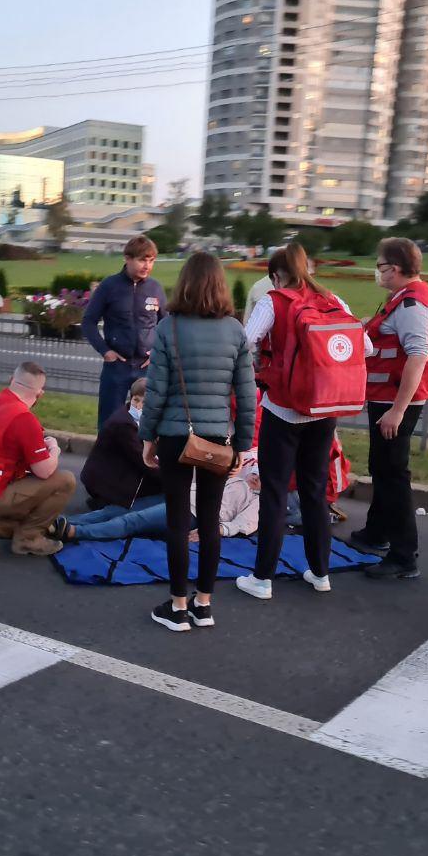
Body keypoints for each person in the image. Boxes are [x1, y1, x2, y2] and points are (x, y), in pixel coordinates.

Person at [235, 242, 364, 601]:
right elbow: (363, 345)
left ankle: (263, 578)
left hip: (283, 408)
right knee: (314, 490)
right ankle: (320, 571)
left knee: (275, 492)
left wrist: (262, 363)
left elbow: (246, 341)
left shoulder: (273, 301)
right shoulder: (333, 299)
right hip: (324, 410)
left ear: (276, 275)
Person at [139, 252, 256, 632]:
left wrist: (148, 436)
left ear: (185, 283)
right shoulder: (235, 330)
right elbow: (246, 393)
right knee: (209, 520)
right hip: (218, 439)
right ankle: (203, 604)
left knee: (176, 521)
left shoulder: (168, 328)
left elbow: (155, 391)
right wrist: (242, 444)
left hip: (175, 436)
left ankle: (176, 606)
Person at [351, 237, 428, 580]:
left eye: (382, 266)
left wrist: (398, 410)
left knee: (392, 475)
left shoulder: (411, 306)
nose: (379, 272)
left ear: (398, 268)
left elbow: (416, 357)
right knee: (382, 468)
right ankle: (377, 532)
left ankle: (404, 556)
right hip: (387, 396)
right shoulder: (404, 299)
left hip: (395, 400)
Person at [0, 362, 76, 556]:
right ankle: (28, 540)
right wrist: (54, 449)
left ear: (11, 381)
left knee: (31, 499)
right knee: (65, 481)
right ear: (39, 394)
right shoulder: (23, 419)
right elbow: (44, 470)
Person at [51, 462, 259, 542]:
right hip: (181, 496)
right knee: (118, 509)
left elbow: (244, 524)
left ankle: (74, 532)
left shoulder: (258, 500)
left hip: (194, 512)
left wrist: (216, 530)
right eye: (256, 472)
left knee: (133, 520)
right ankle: (59, 522)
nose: (255, 476)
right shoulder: (239, 475)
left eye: (260, 477)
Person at [82, 235, 168, 429]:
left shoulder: (155, 288)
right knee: (110, 423)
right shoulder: (109, 286)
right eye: (141, 260)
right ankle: (107, 458)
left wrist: (158, 353)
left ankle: (141, 459)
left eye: (151, 260)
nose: (147, 265)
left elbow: (167, 326)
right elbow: (88, 322)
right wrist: (105, 351)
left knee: (146, 424)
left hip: (146, 368)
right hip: (117, 367)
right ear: (127, 259)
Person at [79, 378, 162, 510]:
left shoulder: (136, 419)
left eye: (145, 402)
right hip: (105, 482)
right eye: (136, 400)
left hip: (113, 475)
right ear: (131, 398)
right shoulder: (124, 424)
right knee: (165, 485)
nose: (139, 406)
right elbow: (143, 460)